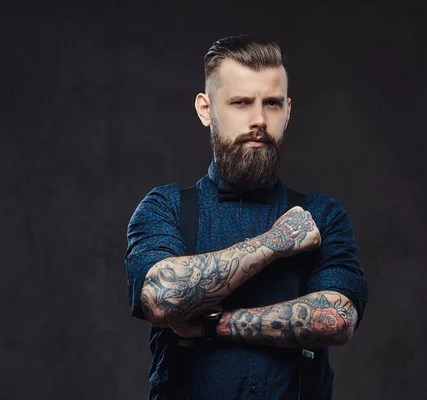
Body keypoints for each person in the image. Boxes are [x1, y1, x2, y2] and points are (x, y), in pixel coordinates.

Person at [125, 35, 369, 400]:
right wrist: (277, 241)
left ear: (287, 110)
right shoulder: (166, 207)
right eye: (240, 102)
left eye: (271, 103)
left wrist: (212, 327)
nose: (259, 119)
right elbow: (161, 297)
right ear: (206, 109)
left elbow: (336, 319)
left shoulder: (323, 215)